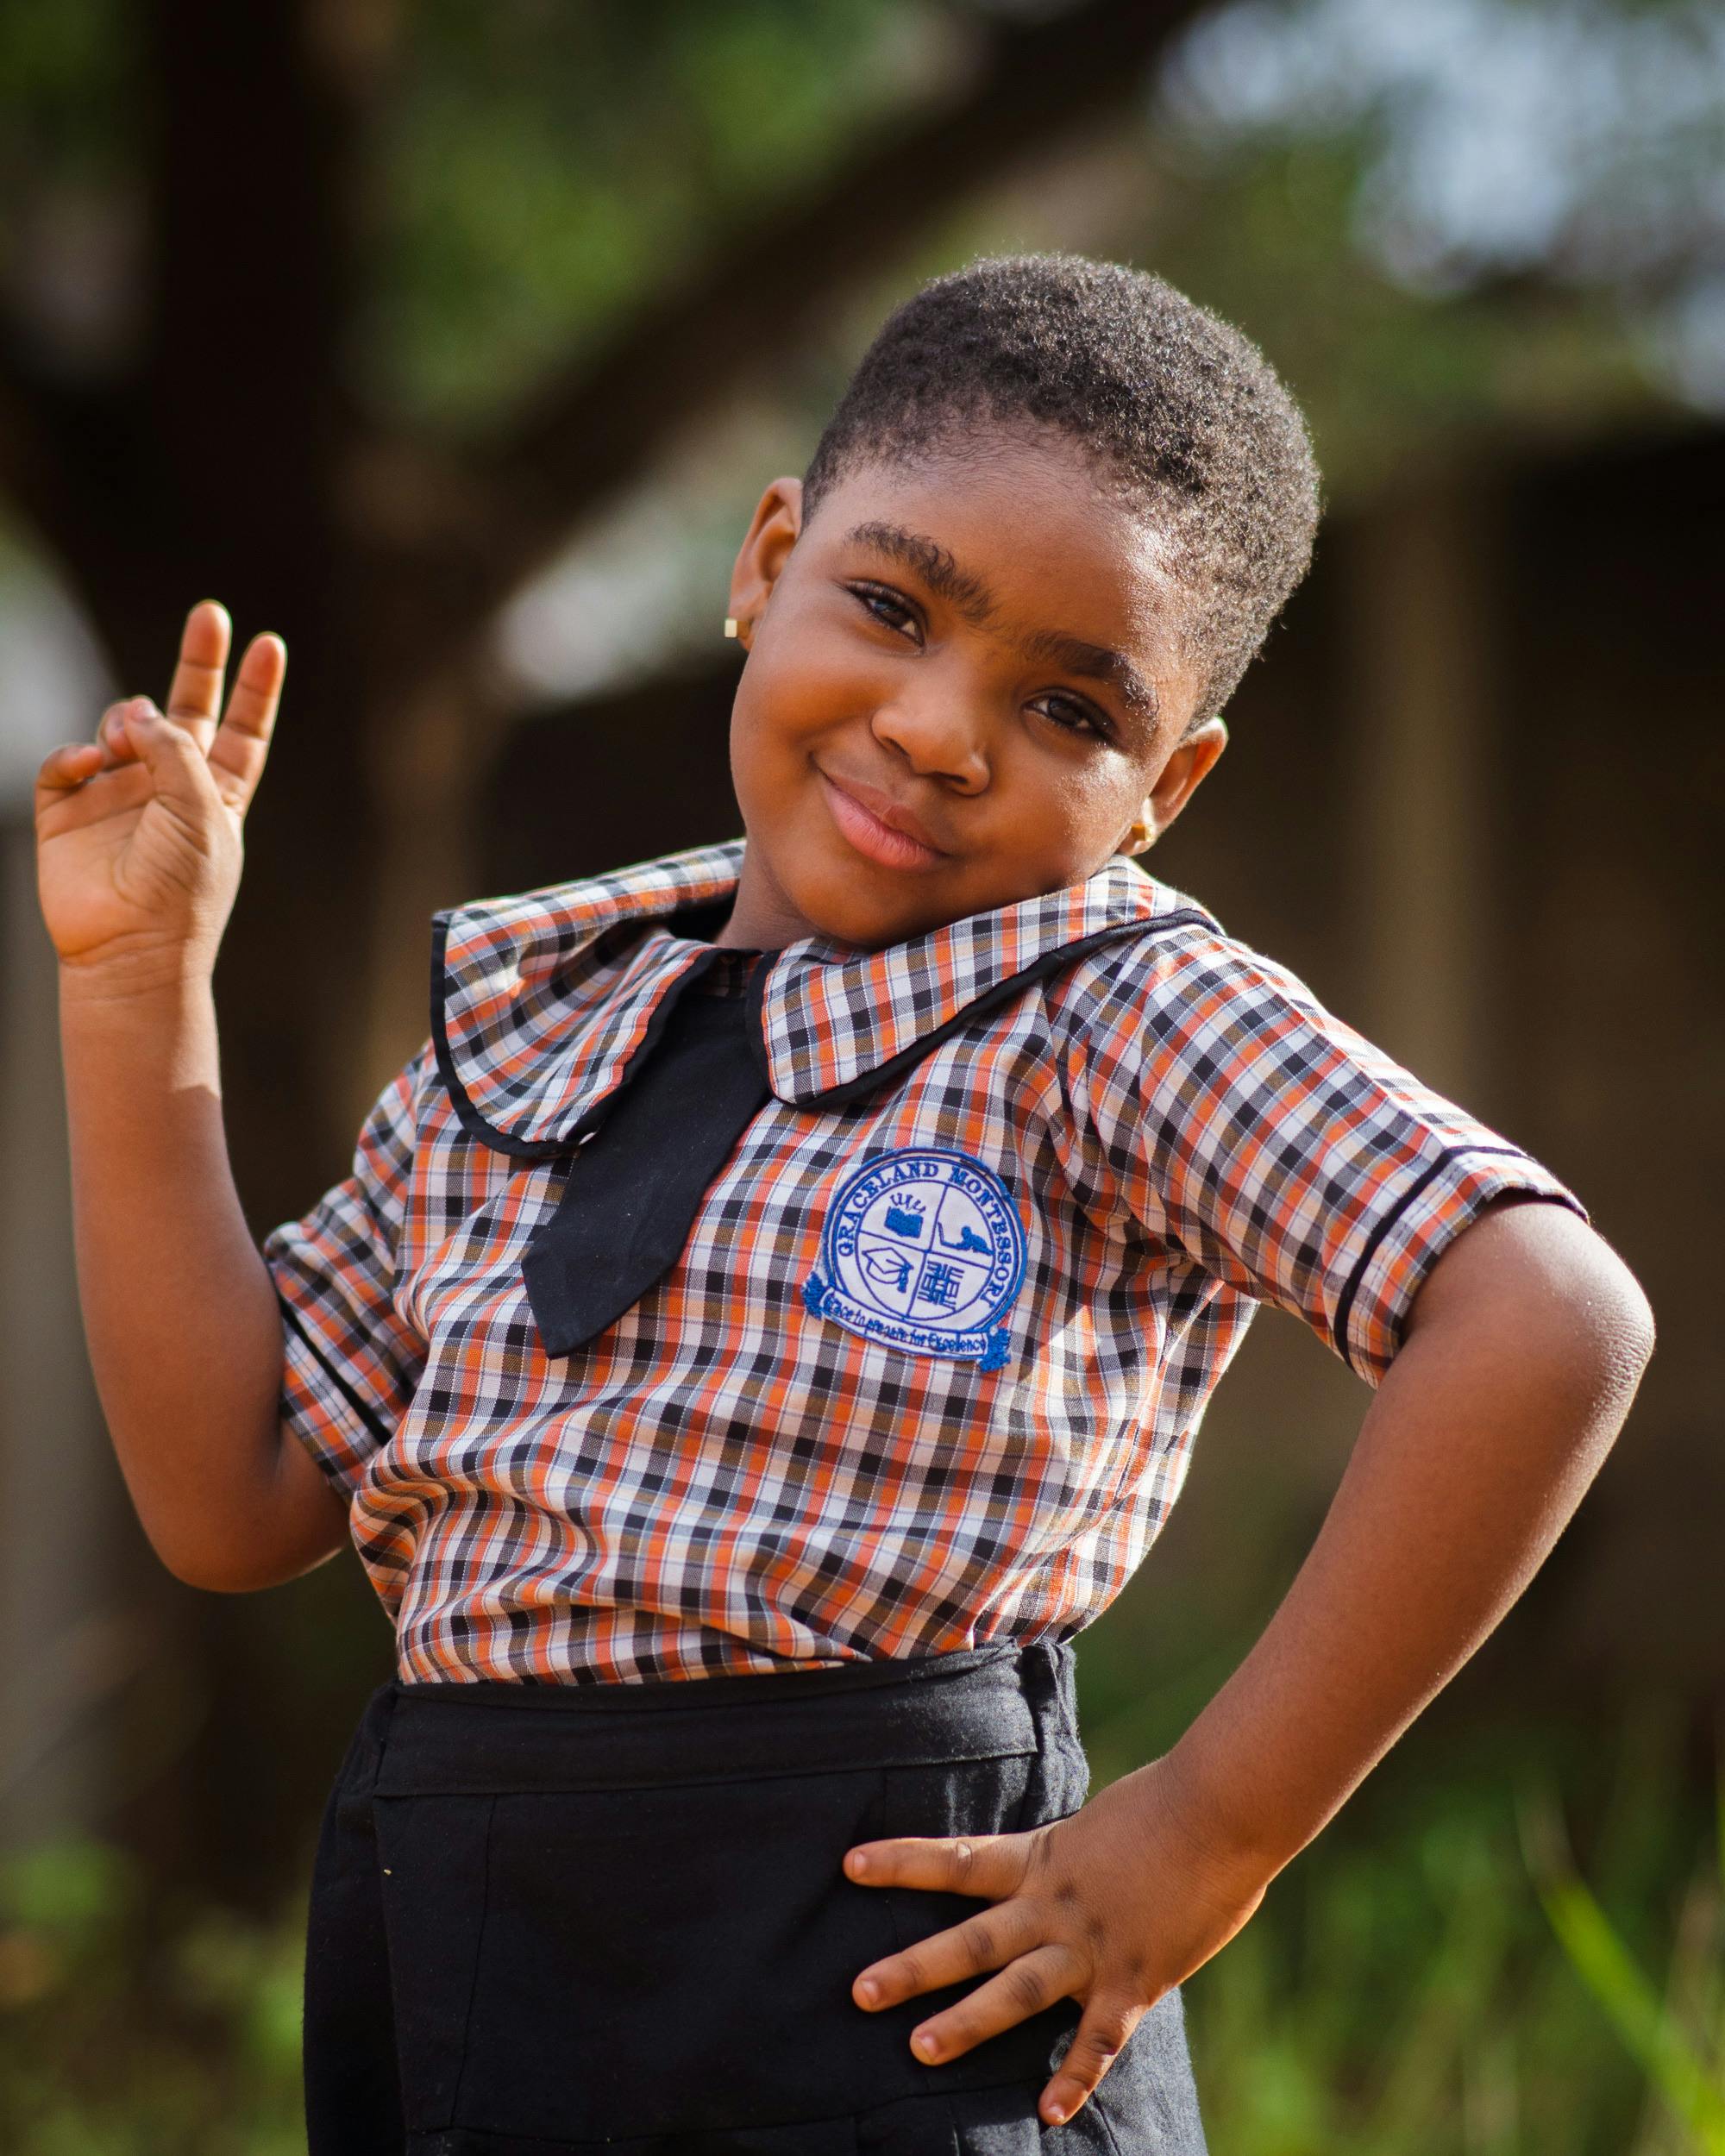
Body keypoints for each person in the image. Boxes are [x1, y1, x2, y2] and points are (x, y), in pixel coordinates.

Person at [37, 253, 1655, 2153]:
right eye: (889, 605)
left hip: (885, 1983)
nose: (942, 726)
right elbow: (233, 1491)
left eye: (1070, 707)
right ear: (762, 557)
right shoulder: (531, 1030)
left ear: (1170, 783)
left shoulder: (1104, 1005)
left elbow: (1546, 1316)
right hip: (471, 1933)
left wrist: (1215, 1821)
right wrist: (137, 987)